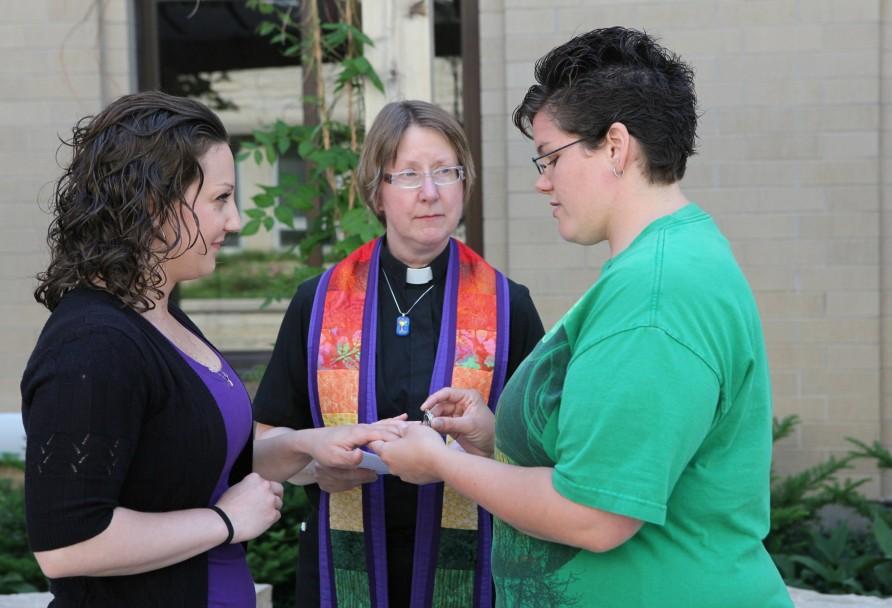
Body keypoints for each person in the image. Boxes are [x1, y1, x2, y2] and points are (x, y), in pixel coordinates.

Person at [371, 27, 793, 608]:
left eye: (550, 156)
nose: (542, 180)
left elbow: (596, 515)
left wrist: (439, 461)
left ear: (615, 147)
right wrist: (496, 440)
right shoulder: (663, 265)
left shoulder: (655, 295)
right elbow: (616, 452)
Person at [21, 90, 401, 608]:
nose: (237, 220)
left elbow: (194, 461)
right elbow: (67, 544)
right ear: (155, 205)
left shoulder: (158, 312)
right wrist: (224, 522)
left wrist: (306, 447)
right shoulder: (91, 345)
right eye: (221, 199)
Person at [252, 100, 544, 608]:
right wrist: (315, 460)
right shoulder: (318, 303)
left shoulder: (506, 305)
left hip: (477, 575)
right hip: (337, 573)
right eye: (408, 175)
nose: (430, 193)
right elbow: (262, 449)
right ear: (376, 191)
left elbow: (543, 453)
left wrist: (482, 444)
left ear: (465, 183)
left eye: (445, 172)